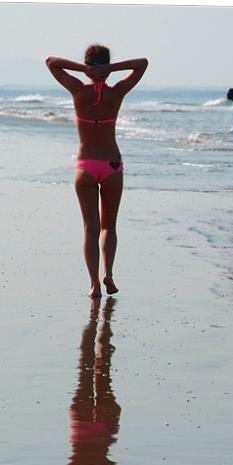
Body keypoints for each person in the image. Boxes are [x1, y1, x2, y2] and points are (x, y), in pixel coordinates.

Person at [46, 46, 148, 298]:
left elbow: (51, 61)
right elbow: (142, 63)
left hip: (86, 167)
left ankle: (93, 285)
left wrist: (85, 71)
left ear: (88, 63)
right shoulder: (117, 93)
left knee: (90, 228)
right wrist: (109, 71)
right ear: (107, 64)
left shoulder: (78, 90)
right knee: (109, 227)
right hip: (112, 165)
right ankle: (109, 275)